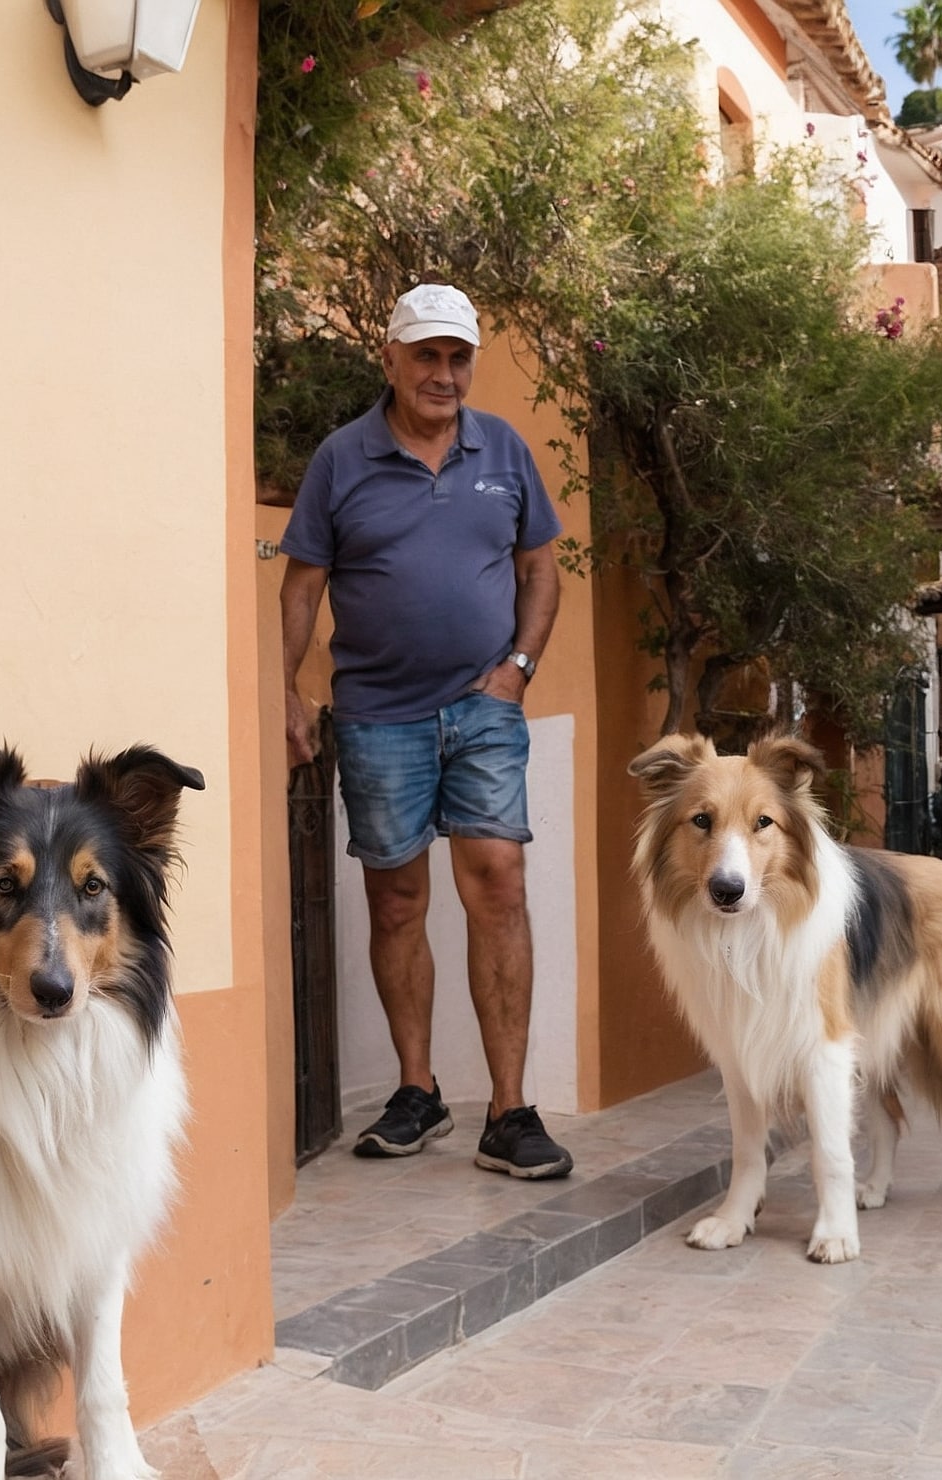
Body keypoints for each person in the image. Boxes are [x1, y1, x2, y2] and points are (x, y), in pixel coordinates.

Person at [279, 283, 572, 1180]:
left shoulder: (505, 451)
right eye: (427, 356)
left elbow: (540, 572)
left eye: (457, 358)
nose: (443, 374)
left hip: (482, 711)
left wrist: (516, 672)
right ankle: (418, 1091)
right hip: (376, 716)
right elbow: (301, 586)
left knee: (498, 884)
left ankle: (511, 1112)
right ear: (392, 360)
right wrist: (285, 691)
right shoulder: (342, 459)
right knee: (396, 901)